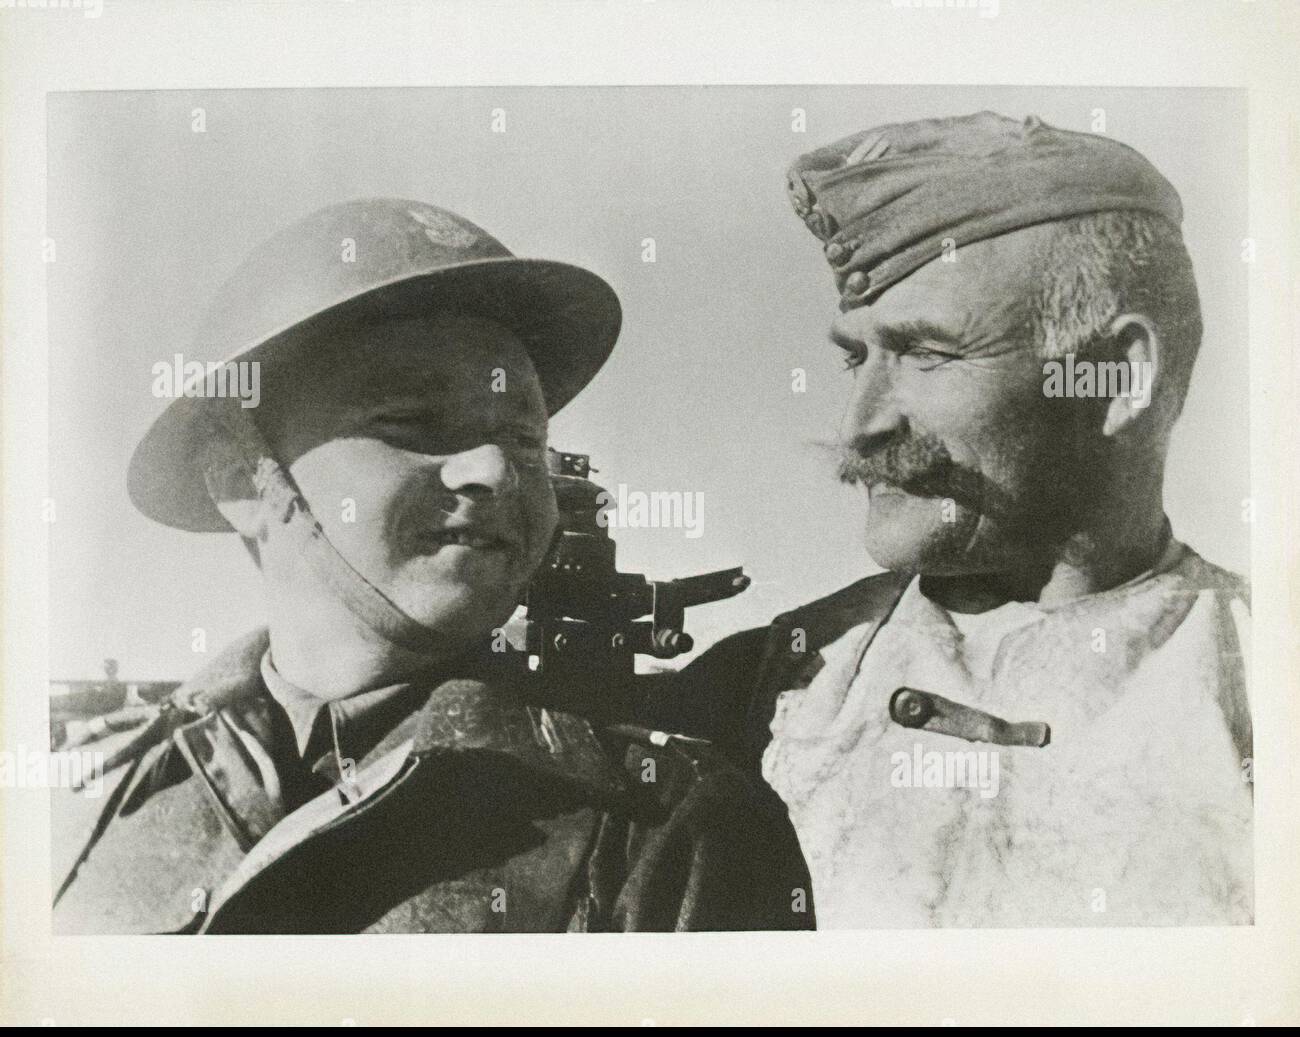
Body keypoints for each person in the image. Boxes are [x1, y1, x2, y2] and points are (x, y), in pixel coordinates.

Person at [53, 198, 811, 934]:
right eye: (413, 425)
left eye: (523, 439)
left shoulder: (666, 828)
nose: (493, 469)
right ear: (242, 484)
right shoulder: (100, 796)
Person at [651, 113, 1252, 928]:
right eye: (854, 357)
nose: (860, 425)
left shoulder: (1261, 681)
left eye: (927, 353)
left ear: (1115, 377)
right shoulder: (758, 693)